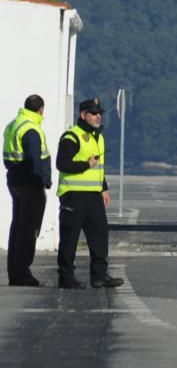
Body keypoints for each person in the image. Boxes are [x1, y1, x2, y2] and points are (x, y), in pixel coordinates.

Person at [55, 98, 123, 289]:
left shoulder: (98, 137)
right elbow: (62, 164)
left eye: (99, 113)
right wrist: (86, 164)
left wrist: (103, 187)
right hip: (73, 194)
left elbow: (98, 167)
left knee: (100, 235)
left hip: (93, 195)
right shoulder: (71, 136)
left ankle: (99, 276)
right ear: (83, 115)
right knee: (70, 238)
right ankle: (66, 277)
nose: (98, 116)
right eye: (94, 113)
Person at [3, 95, 51, 286]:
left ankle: (14, 272)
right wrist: (43, 180)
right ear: (40, 109)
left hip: (15, 180)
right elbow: (34, 159)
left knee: (18, 228)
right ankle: (22, 273)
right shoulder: (31, 128)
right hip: (30, 183)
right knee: (29, 229)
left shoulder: (14, 124)